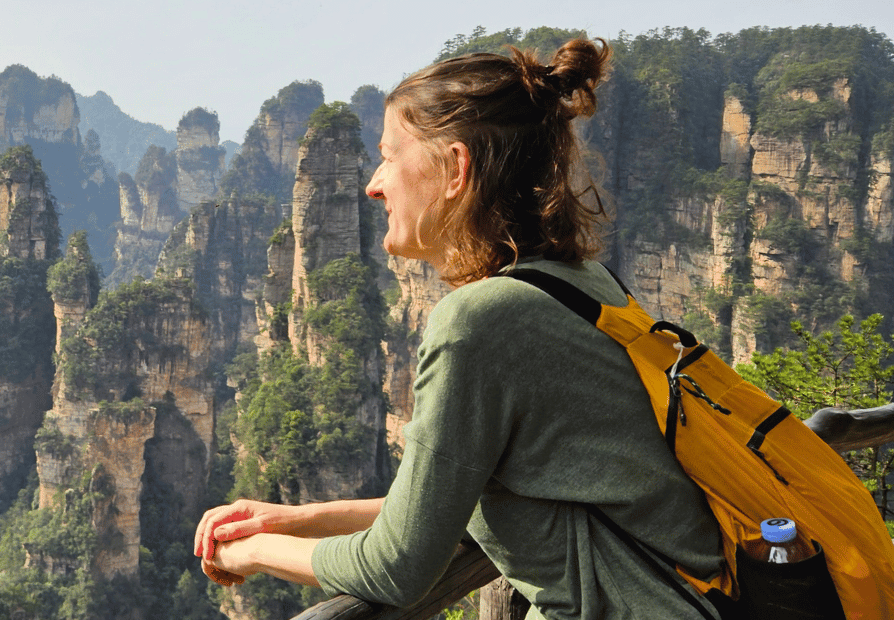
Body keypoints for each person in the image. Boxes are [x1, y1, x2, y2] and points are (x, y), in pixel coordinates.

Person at [192, 38, 727, 619]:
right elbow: (449, 502)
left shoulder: (477, 321)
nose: (373, 184)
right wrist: (294, 519)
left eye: (389, 156)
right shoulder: (580, 282)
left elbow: (397, 566)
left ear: (455, 168)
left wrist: (252, 551)